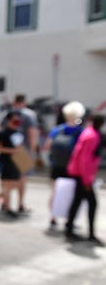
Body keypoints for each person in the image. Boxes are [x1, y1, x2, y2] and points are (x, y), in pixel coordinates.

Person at [44, 101, 85, 229]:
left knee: (55, 192)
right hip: (72, 167)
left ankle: (53, 218)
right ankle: (69, 219)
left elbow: (46, 147)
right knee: (70, 193)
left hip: (56, 166)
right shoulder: (81, 131)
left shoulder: (57, 129)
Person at [65, 113, 104, 244]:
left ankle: (69, 229)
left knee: (77, 202)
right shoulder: (92, 136)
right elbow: (85, 160)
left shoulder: (88, 132)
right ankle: (90, 234)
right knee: (92, 203)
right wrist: (87, 180)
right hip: (83, 176)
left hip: (80, 174)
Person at [3, 94, 39, 213]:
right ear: (24, 102)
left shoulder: (8, 114)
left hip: (8, 151)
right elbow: (32, 133)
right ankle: (20, 204)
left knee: (7, 179)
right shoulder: (29, 115)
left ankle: (5, 202)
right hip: (22, 150)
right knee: (22, 178)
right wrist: (33, 151)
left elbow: (1, 131)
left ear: (15, 102)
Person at [0, 111, 25, 217]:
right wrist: (11, 151)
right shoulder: (3, 133)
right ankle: (7, 208)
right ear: (9, 121)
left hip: (17, 161)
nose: (16, 122)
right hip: (5, 161)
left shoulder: (19, 133)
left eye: (18, 121)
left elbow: (20, 147)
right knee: (6, 185)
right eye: (14, 120)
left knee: (16, 184)